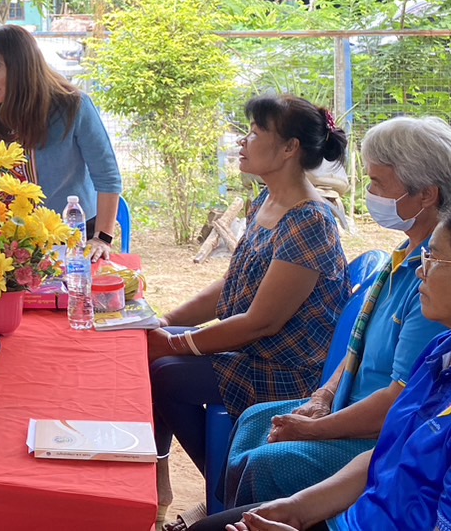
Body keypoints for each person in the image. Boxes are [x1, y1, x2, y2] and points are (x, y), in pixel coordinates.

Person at [185, 201, 451, 531]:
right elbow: (385, 457)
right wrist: (298, 508)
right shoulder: (449, 349)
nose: (421, 270)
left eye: (435, 258)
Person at [222, 116, 451, 506]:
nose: (370, 193)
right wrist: (323, 396)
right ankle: (232, 512)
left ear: (426, 195)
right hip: (347, 407)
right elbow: (360, 344)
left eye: (378, 184)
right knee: (255, 421)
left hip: (383, 435)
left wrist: (317, 430)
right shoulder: (404, 254)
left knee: (268, 462)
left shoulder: (435, 276)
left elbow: (401, 400)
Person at [149, 93, 348, 521]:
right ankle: (211, 484)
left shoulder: (309, 220)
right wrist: (165, 323)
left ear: (290, 148)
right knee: (151, 354)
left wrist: (177, 345)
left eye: (255, 133)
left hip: (286, 370)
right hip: (253, 352)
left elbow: (262, 321)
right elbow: (230, 285)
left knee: (165, 372)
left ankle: (227, 490)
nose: (243, 141)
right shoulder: (267, 201)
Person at [0, 24, 123, 255]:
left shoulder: (73, 106)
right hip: (16, 234)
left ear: (20, 70)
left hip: (75, 233)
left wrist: (102, 238)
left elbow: (107, 176)